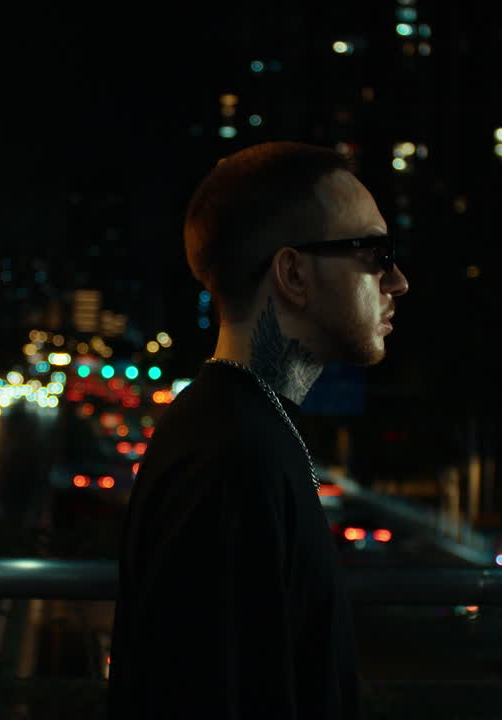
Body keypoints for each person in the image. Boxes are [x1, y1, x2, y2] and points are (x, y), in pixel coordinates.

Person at [106, 141, 410, 719]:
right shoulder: (232, 459)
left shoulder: (245, 428)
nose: (396, 281)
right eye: (374, 253)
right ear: (293, 272)